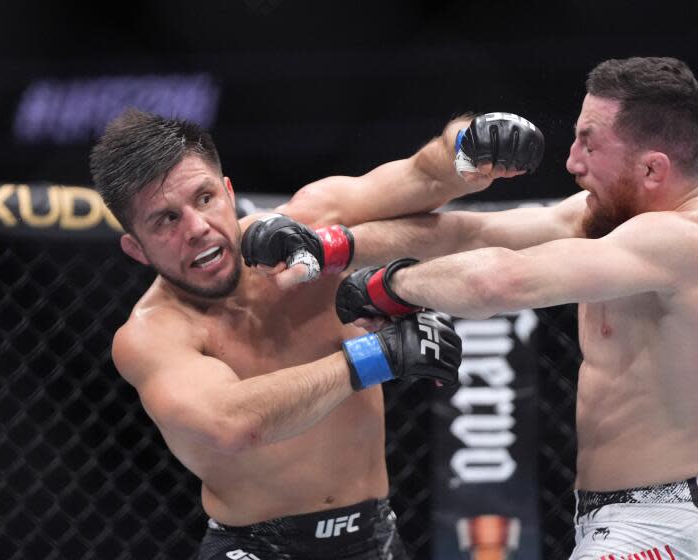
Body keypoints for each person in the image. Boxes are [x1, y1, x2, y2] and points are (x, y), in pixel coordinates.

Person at [255, 57, 698, 559]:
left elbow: (499, 280)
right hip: (617, 522)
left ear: (651, 168)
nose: (573, 162)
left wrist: (392, 284)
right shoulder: (605, 221)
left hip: (660, 530)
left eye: (590, 144)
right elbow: (471, 232)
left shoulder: (689, 243)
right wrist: (333, 246)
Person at [89, 108, 538, 559]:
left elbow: (425, 176)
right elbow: (232, 423)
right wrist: (378, 355)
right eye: (165, 220)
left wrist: (472, 143)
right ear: (136, 249)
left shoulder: (308, 226)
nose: (196, 228)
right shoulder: (150, 335)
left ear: (227, 192)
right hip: (254, 547)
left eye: (204, 198)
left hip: (374, 537)